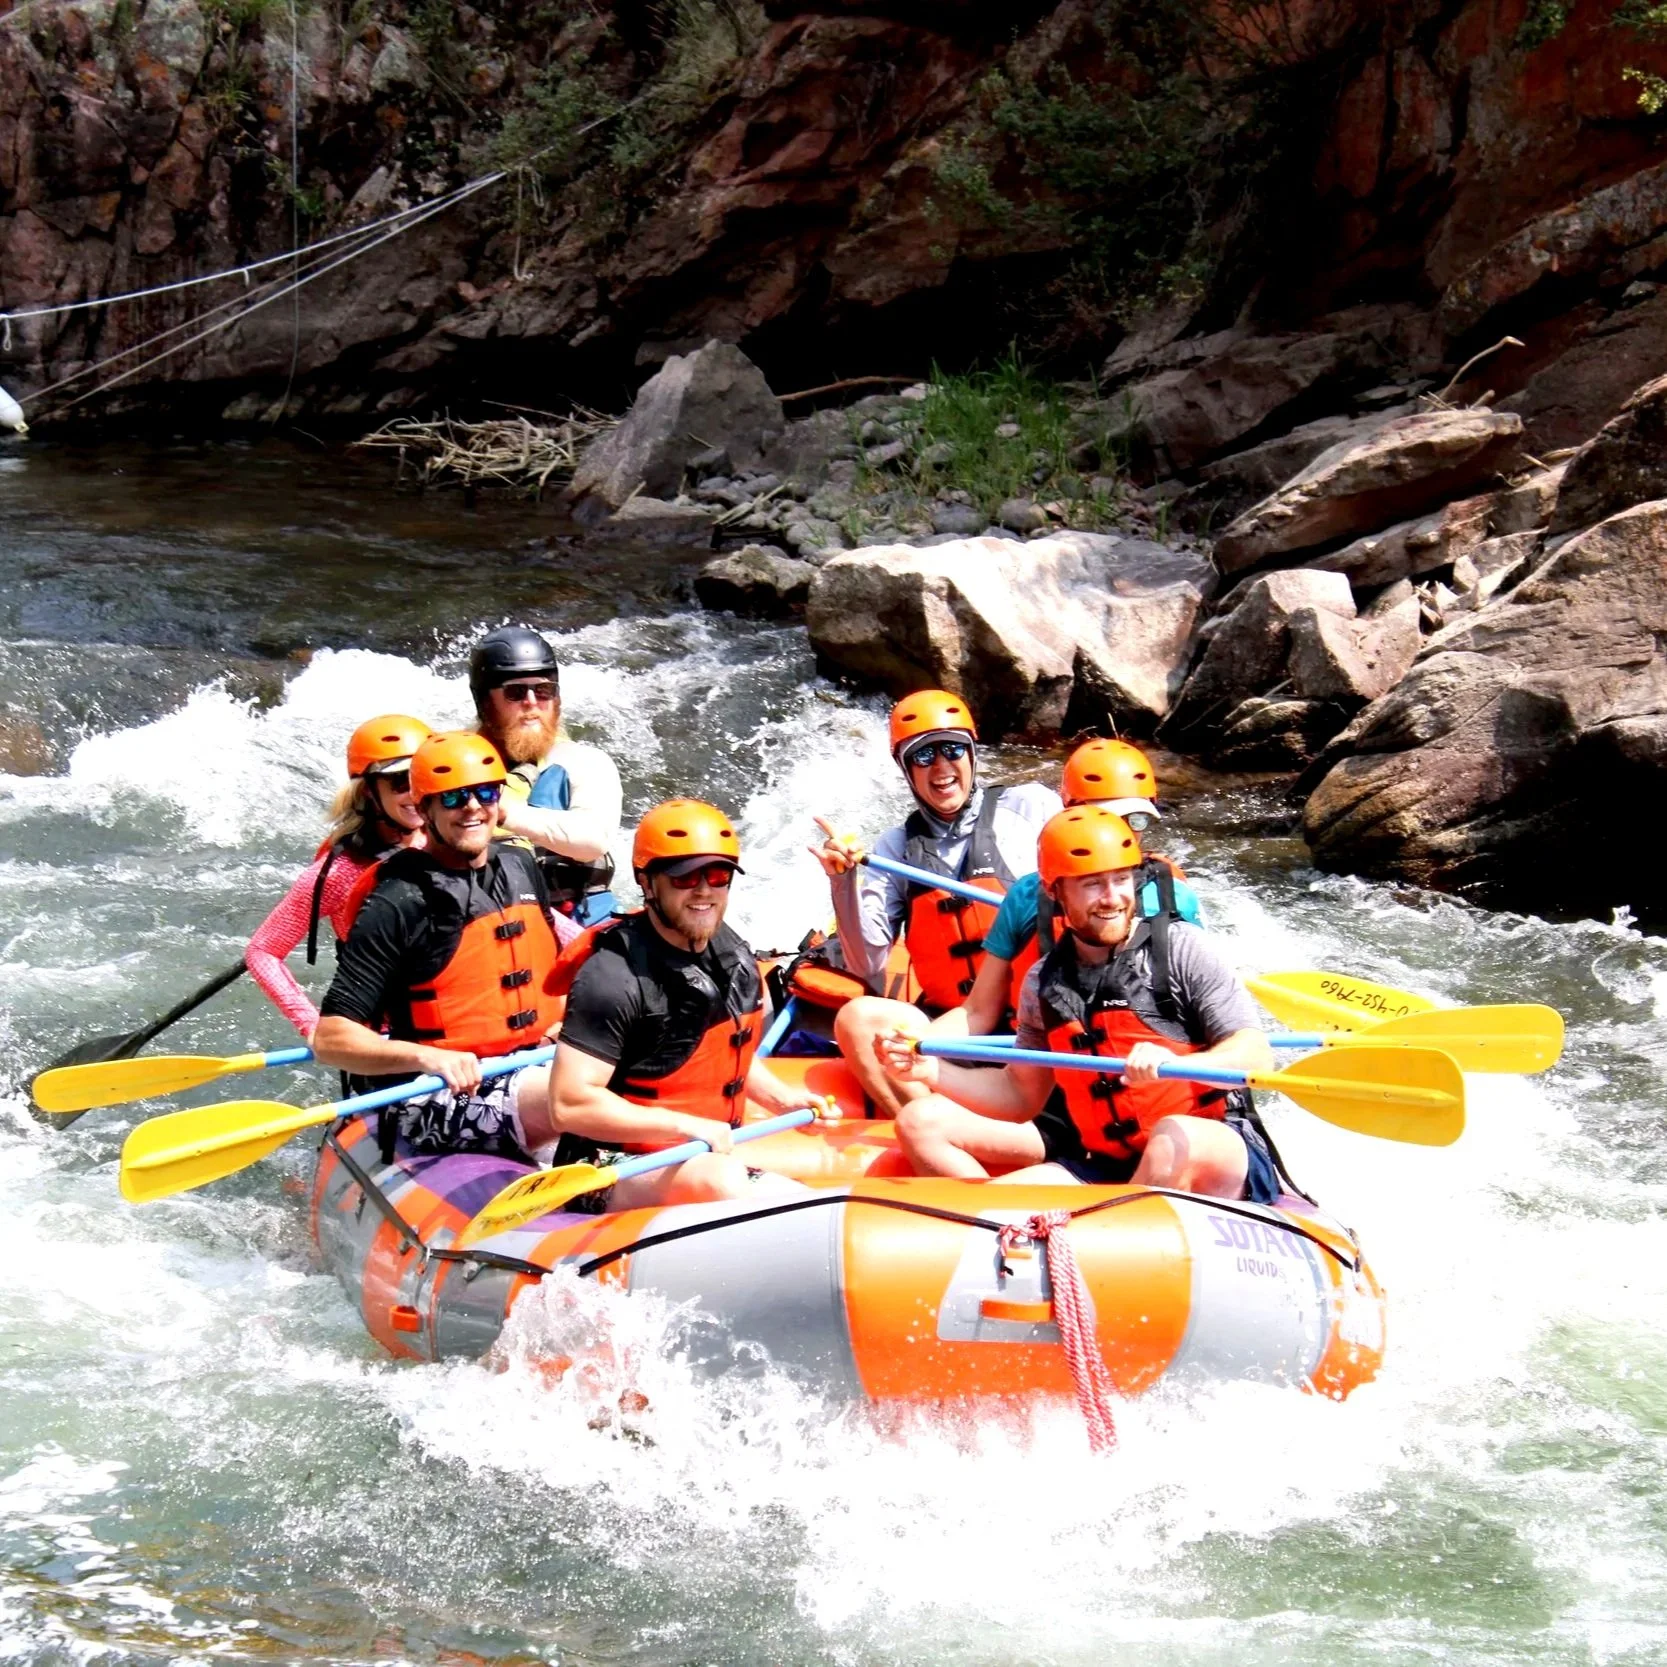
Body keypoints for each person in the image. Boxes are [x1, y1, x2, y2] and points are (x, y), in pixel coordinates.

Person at [874, 804, 1282, 1203]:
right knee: (996, 1210)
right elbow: (1019, 1096)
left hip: (1214, 1144)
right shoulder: (1043, 981)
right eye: (1092, 884)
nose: (1112, 898)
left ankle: (1113, 1237)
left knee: (1175, 1136)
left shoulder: (1181, 949)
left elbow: (1255, 1055)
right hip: (1109, 1164)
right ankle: (1102, 1237)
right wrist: (932, 1071)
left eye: (1121, 879)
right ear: (1056, 892)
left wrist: (1176, 1066)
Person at [517, 800, 817, 1210]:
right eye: (684, 876)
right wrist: (684, 1126)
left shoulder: (732, 955)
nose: (703, 890)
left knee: (799, 1202)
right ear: (646, 881)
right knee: (723, 1180)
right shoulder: (612, 976)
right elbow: (570, 1104)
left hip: (698, 1158)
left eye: (717, 875)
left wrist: (783, 1100)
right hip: (607, 1166)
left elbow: (722, 1054)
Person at [311, 730, 571, 1160]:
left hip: (533, 1067)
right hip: (440, 1096)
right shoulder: (398, 899)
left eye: (485, 792)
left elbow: (555, 975)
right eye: (452, 798)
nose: (472, 807)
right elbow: (331, 1040)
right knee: (576, 1089)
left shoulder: (521, 866)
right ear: (425, 808)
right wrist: (430, 1060)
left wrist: (570, 1024)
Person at [807, 689, 1059, 1115]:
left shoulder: (1031, 806)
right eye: (922, 756)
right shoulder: (894, 846)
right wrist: (843, 884)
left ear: (973, 753)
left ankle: (965, 1127)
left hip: (1034, 1020)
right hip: (955, 1025)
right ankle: (928, 1123)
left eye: (952, 749)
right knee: (858, 1020)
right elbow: (866, 963)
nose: (941, 767)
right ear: (906, 770)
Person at [954, 737, 1202, 1041]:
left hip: (1154, 1061)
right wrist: (913, 1043)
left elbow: (1209, 1011)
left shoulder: (1175, 896)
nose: (1120, 833)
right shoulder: (1026, 897)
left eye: (1136, 819)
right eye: (1107, 817)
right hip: (1055, 1061)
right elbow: (978, 1011)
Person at [245, 714, 431, 1041]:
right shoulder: (338, 872)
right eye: (400, 783)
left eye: (422, 779)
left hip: (454, 1025)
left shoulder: (445, 841)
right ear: (369, 793)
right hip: (384, 1041)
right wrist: (312, 1026)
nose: (414, 794)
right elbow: (262, 952)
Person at [469, 624, 623, 925]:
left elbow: (592, 840)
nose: (531, 702)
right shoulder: (458, 759)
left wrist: (501, 811)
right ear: (485, 702)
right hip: (487, 925)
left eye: (543, 691)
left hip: (572, 921)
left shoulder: (585, 762)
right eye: (515, 692)